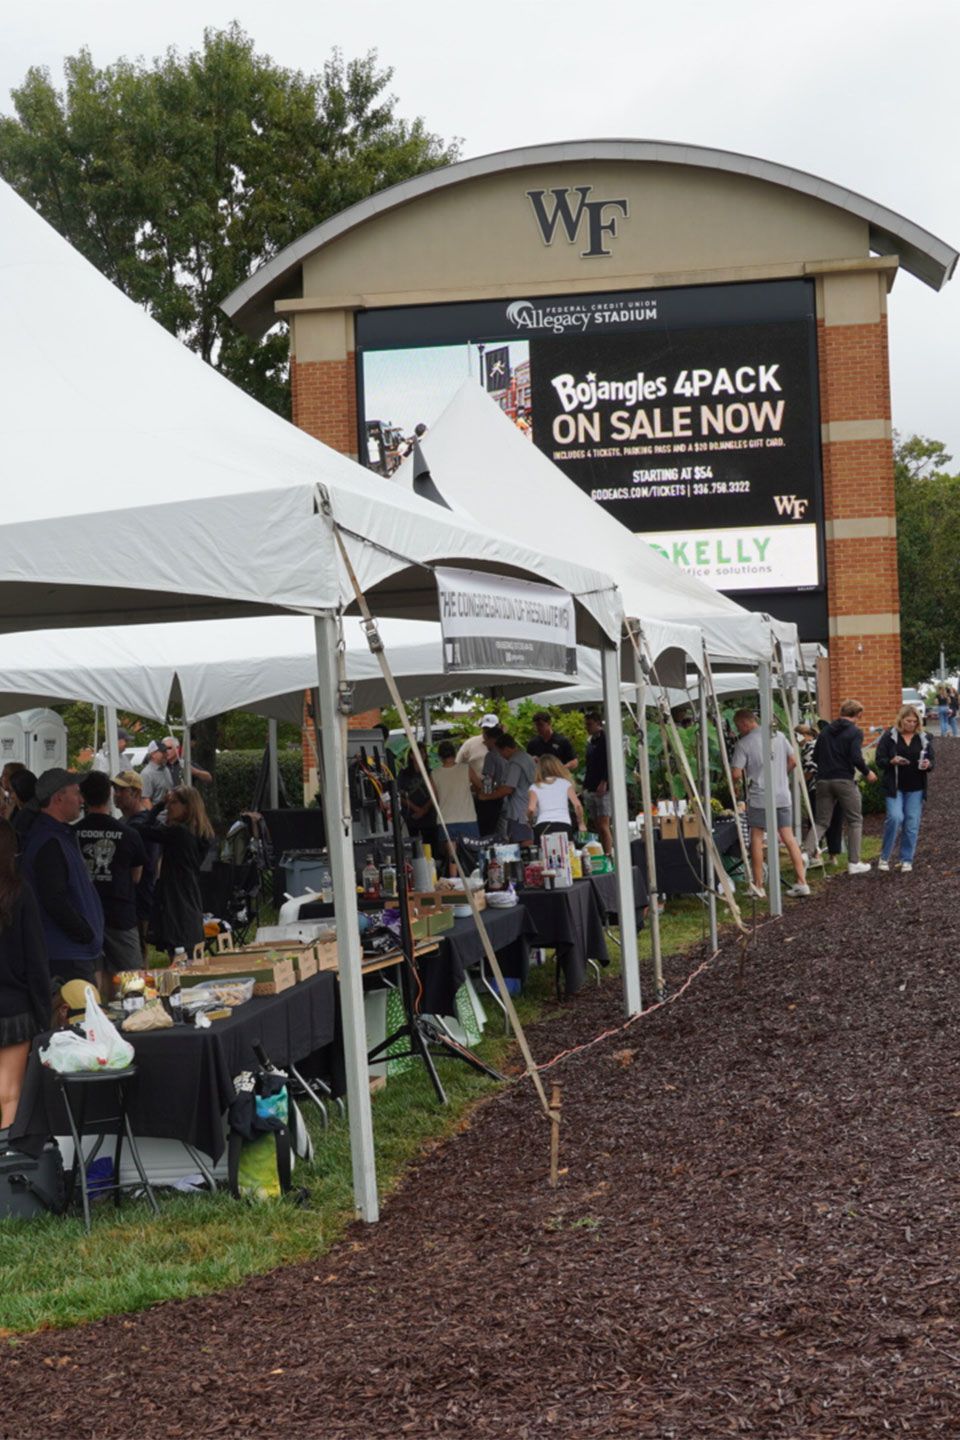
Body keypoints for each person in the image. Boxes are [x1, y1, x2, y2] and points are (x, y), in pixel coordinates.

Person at [20, 768, 104, 991]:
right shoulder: (48, 841)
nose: (81, 800)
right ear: (58, 798)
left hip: (73, 951)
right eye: (76, 793)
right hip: (66, 954)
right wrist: (83, 932)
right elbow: (53, 898)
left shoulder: (59, 836)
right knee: (80, 1011)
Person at [0, 819, 51, 1128]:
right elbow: (36, 960)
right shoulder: (19, 893)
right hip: (14, 1010)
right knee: (10, 1095)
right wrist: (44, 1013)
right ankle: (6, 1154)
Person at [730, 709, 810, 899]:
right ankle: (802, 882)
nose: (738, 730)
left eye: (738, 726)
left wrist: (738, 786)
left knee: (756, 837)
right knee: (788, 836)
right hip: (782, 794)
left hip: (759, 796)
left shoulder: (744, 743)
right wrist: (780, 775)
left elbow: (735, 773)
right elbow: (793, 760)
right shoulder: (779, 736)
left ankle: (758, 885)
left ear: (744, 724)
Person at [77, 771, 146, 978]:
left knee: (92, 977)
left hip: (84, 915)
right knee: (131, 978)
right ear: (109, 794)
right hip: (120, 912)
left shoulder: (72, 833)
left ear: (82, 796)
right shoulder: (129, 834)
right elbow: (136, 877)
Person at [804, 699, 877, 875]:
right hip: (844, 780)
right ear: (859, 714)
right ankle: (854, 863)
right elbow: (856, 757)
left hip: (822, 780)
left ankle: (805, 854)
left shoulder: (825, 731)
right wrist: (867, 772)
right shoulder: (855, 732)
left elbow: (815, 756)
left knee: (821, 821)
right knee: (855, 820)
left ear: (842, 712)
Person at [142, 785, 213, 956]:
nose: (169, 806)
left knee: (178, 947)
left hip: (175, 896)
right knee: (189, 947)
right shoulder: (201, 835)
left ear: (187, 807)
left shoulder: (178, 833)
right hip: (189, 893)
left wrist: (158, 806)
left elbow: (143, 830)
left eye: (173, 803)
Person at [875, 705, 934, 872]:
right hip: (895, 787)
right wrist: (891, 761)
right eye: (908, 721)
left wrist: (928, 764)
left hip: (916, 787)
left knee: (911, 823)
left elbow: (932, 760)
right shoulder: (889, 737)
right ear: (901, 720)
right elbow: (879, 760)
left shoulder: (923, 738)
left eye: (915, 721)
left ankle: (906, 859)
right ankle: (884, 857)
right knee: (895, 818)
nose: (912, 724)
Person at [112, 770, 159, 961]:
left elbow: (139, 871)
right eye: (115, 789)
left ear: (136, 793)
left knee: (137, 956)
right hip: (125, 899)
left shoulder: (143, 825)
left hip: (139, 898)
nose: (116, 794)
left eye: (122, 790)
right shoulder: (122, 822)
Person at [429, 740, 481, 873]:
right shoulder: (466, 769)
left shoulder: (434, 774)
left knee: (453, 857)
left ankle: (453, 880)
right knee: (471, 854)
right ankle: (474, 878)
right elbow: (480, 786)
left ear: (440, 756)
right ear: (454, 753)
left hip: (446, 819)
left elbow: (434, 799)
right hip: (467, 817)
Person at [489, 733, 536, 843]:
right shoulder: (527, 757)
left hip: (519, 811)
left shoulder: (515, 762)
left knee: (524, 843)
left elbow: (508, 788)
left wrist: (487, 796)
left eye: (500, 752)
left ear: (506, 749)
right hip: (531, 806)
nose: (501, 756)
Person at [528, 754, 583, 841]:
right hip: (563, 824)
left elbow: (531, 809)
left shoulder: (535, 786)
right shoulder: (565, 783)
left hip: (543, 826)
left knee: (543, 849)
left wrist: (530, 822)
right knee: (564, 849)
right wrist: (581, 823)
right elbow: (578, 806)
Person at [397, 744, 437, 857]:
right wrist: (415, 809)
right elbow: (399, 795)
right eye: (418, 752)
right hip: (410, 815)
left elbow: (435, 793)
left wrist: (424, 810)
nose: (421, 755)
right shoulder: (404, 774)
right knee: (413, 847)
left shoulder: (431, 772)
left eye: (423, 753)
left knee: (430, 847)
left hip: (429, 816)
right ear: (411, 755)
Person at [582, 712, 613, 856]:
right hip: (591, 785)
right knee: (597, 824)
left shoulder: (606, 739)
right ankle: (604, 851)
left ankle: (608, 853)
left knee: (603, 823)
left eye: (589, 724)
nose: (587, 727)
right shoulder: (591, 742)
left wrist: (604, 781)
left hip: (603, 787)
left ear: (598, 724)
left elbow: (609, 761)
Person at [478, 726, 508, 837]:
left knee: (498, 833)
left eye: (486, 740)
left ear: (493, 740)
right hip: (512, 799)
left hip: (498, 800)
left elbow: (488, 779)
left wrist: (485, 795)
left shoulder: (491, 756)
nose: (485, 743)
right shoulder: (510, 753)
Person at [8, 769, 39, 851]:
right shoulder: (43, 807)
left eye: (12, 792)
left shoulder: (25, 815)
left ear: (21, 789)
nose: (10, 796)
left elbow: (13, 846)